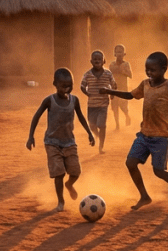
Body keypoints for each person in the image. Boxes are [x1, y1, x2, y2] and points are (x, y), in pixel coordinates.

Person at [99, 51, 168, 210]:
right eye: (147, 69)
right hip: (144, 135)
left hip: (161, 136)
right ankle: (144, 196)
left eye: (153, 70)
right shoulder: (145, 84)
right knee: (130, 163)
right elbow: (130, 95)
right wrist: (109, 91)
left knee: (159, 171)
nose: (149, 72)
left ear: (164, 69)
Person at [27, 68, 95, 212]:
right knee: (59, 173)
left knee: (75, 172)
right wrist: (30, 136)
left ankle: (69, 184)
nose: (66, 89)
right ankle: (61, 201)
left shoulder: (74, 100)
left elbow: (81, 117)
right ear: (55, 84)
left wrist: (89, 133)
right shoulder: (49, 101)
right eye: (63, 86)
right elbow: (36, 116)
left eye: (69, 86)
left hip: (69, 142)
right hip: (52, 143)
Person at [80, 50, 115, 153]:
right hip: (91, 105)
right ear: (91, 61)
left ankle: (101, 147)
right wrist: (87, 93)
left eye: (99, 59)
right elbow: (82, 86)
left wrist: (112, 93)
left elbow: (114, 84)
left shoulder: (108, 73)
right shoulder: (87, 74)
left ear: (104, 61)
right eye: (95, 59)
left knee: (101, 125)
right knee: (92, 126)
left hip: (103, 105)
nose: (97, 61)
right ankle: (99, 136)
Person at [110, 44, 133, 130]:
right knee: (115, 107)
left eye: (121, 52)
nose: (119, 54)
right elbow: (110, 73)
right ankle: (117, 125)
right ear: (114, 54)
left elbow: (130, 75)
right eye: (117, 52)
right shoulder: (112, 64)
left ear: (124, 54)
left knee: (123, 106)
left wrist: (124, 72)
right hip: (114, 89)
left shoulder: (126, 64)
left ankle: (127, 116)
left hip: (123, 89)